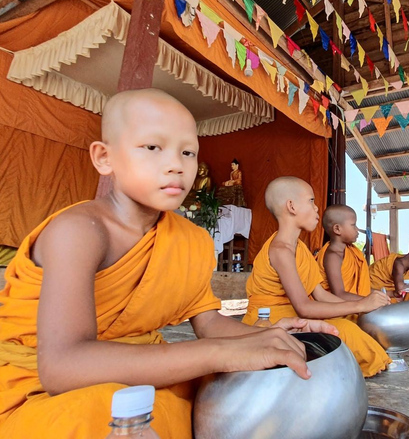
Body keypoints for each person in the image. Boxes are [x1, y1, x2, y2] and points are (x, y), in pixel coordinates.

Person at [0, 90, 335, 437]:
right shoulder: (79, 231)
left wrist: (272, 334)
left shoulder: (188, 239)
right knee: (101, 414)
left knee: (238, 389)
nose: (177, 164)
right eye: (152, 147)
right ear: (104, 158)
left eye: (188, 152)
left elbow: (209, 324)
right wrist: (217, 354)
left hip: (144, 372)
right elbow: (62, 367)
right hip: (42, 388)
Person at [242, 177, 392, 377]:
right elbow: (303, 307)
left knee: (354, 319)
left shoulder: (301, 248)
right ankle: (372, 365)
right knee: (345, 329)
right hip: (270, 318)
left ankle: (366, 362)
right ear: (291, 206)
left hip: (293, 313)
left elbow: (320, 295)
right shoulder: (280, 250)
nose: (317, 208)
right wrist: (358, 305)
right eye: (311, 201)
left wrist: (361, 307)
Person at [315, 205, 370, 301]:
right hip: (336, 310)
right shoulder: (332, 256)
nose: (357, 230)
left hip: (355, 304)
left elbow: (362, 288)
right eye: (353, 225)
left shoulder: (351, 252)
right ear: (337, 229)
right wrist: (368, 302)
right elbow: (339, 294)